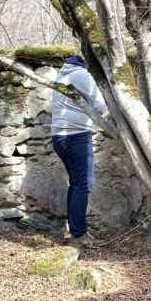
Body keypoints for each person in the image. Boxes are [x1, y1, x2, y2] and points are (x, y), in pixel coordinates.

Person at [51, 55, 108, 246]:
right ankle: (78, 233)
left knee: (75, 183)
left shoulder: (61, 76)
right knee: (83, 184)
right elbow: (101, 105)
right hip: (76, 135)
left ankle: (72, 228)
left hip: (59, 136)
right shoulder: (81, 75)